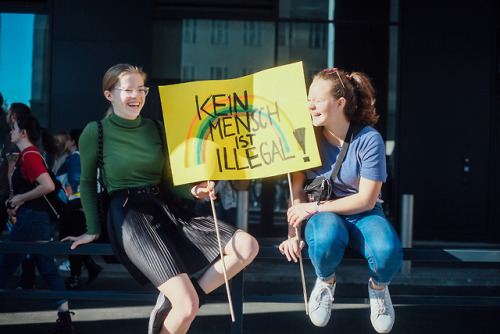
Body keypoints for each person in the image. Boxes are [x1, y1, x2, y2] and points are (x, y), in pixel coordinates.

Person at [62, 63, 259, 334]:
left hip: (165, 208)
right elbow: (86, 183)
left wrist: (193, 191)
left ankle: (176, 299)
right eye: (128, 89)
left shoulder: (156, 128)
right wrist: (93, 231)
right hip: (128, 216)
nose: (137, 96)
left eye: (141, 89)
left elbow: (167, 182)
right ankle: (181, 301)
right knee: (187, 308)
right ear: (109, 95)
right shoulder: (94, 132)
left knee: (247, 246)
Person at [279, 68, 403, 333]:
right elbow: (296, 191)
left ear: (340, 103)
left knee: (388, 252)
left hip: (363, 214)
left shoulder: (369, 139)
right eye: (308, 98)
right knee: (325, 235)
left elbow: (367, 200)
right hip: (323, 218)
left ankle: (379, 290)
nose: (309, 105)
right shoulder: (304, 138)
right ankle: (325, 282)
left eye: (317, 99)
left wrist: (313, 207)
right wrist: (293, 232)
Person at [0, 113, 76, 333]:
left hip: (31, 219)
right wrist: (20, 200)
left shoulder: (30, 155)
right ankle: (64, 318)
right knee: (46, 266)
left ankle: (65, 318)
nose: (10, 132)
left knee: (6, 264)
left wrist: (20, 199)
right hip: (37, 219)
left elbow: (47, 186)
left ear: (23, 133)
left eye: (13, 128)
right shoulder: (33, 154)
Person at [58, 129, 102, 290]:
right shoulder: (87, 157)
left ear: (74, 141)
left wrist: (64, 204)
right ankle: (89, 268)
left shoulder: (76, 156)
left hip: (76, 205)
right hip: (83, 204)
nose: (66, 141)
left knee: (71, 239)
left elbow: (74, 181)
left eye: (69, 138)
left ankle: (76, 277)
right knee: (74, 239)